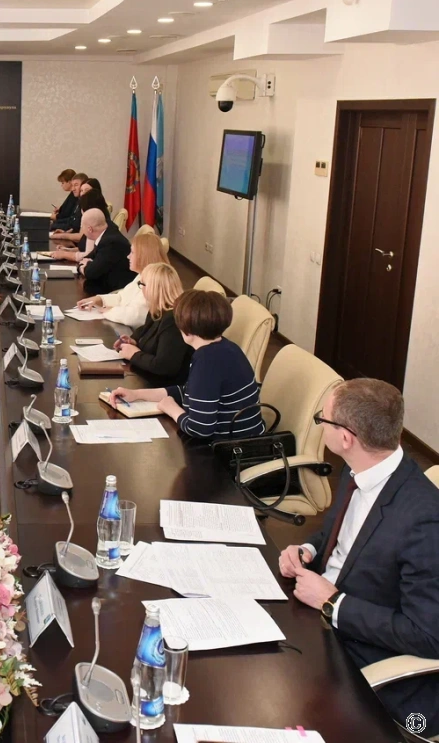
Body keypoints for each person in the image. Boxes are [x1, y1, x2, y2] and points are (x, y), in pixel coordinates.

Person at [277, 379, 439, 738]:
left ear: (346, 438)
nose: (319, 425)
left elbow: (428, 634)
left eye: (323, 419)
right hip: (315, 614)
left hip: (362, 655)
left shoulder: (425, 520)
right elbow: (337, 532)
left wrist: (333, 602)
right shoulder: (359, 470)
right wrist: (308, 550)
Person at [110, 290, 265, 440]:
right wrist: (137, 395)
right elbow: (190, 392)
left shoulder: (206, 361)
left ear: (185, 330)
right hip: (247, 438)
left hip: (228, 448)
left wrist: (171, 409)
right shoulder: (227, 347)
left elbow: (200, 429)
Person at [112, 263, 192, 386]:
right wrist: (133, 341)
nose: (141, 289)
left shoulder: (173, 320)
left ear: (153, 288)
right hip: (149, 377)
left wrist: (134, 354)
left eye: (142, 284)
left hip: (164, 386)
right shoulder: (158, 310)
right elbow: (144, 331)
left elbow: (165, 366)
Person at [77, 231, 169, 327]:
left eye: (132, 252)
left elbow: (135, 316)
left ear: (143, 256)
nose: (128, 256)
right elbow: (122, 297)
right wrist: (99, 299)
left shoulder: (154, 282)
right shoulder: (142, 275)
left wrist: (109, 311)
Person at [75, 209, 135, 296]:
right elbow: (88, 259)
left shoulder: (110, 242)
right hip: (108, 280)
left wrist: (82, 267)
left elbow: (90, 273)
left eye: (82, 227)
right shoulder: (107, 231)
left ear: (89, 229)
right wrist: (86, 265)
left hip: (118, 291)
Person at [50, 174, 95, 240]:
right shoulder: (80, 202)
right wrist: (65, 233)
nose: (73, 189)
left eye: (76, 185)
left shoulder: (90, 207)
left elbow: (81, 236)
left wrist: (62, 235)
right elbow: (73, 222)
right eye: (72, 185)